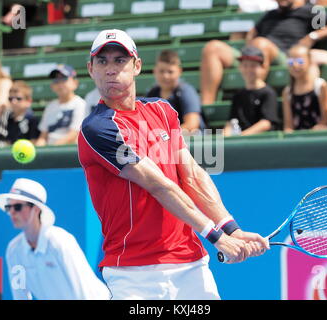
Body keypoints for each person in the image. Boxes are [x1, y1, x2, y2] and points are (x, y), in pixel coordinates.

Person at [78, 29, 269, 300]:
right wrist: (216, 237)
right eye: (102, 61)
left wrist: (231, 229)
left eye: (120, 60)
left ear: (137, 66)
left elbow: (191, 175)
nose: (111, 69)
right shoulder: (97, 128)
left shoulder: (162, 110)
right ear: (91, 69)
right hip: (134, 275)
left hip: (191, 266)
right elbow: (159, 186)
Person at [199, 0, 327, 105]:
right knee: (213, 47)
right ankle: (206, 108)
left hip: (284, 56)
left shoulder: (311, 10)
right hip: (254, 53)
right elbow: (253, 34)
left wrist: (313, 37)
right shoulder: (271, 14)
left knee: (261, 43)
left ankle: (255, 99)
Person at [0, 178, 111, 300]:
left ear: (36, 209)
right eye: (8, 207)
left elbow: (82, 291)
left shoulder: (59, 241)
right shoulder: (14, 250)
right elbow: (20, 295)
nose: (12, 212)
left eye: (17, 207)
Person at [223, 46, 280, 137]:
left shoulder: (268, 93)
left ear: (262, 68)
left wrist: (242, 136)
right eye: (245, 65)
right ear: (240, 68)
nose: (248, 70)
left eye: (253, 66)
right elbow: (231, 122)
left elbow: (267, 123)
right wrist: (225, 138)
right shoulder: (238, 95)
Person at [146, 49, 206, 134]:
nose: (165, 76)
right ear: (154, 71)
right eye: (161, 71)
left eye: (170, 72)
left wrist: (166, 136)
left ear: (179, 71)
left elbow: (192, 124)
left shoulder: (185, 91)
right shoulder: (152, 94)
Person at [282, 44, 327, 132]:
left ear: (309, 61)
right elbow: (288, 125)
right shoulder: (287, 92)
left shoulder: (320, 86)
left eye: (300, 61)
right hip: (297, 139)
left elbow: (326, 120)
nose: (295, 65)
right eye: (290, 61)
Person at [35, 64, 86, 146]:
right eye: (56, 80)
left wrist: (52, 149)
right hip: (51, 149)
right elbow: (43, 136)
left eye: (64, 79)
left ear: (75, 83)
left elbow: (74, 134)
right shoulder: (50, 106)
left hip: (69, 150)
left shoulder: (80, 104)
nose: (60, 84)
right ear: (52, 86)